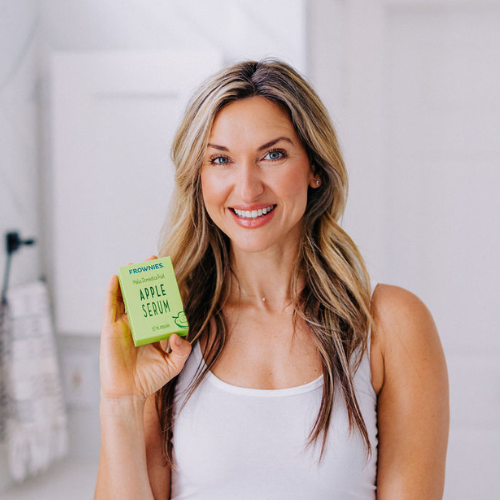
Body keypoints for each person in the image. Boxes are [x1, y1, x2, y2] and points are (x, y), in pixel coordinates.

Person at [95, 60, 449, 499]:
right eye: (221, 159)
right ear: (200, 180)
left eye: (272, 155)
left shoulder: (392, 324)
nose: (247, 189)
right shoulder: (169, 325)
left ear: (315, 168)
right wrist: (121, 402)